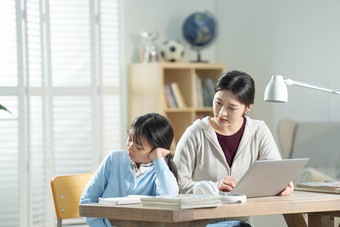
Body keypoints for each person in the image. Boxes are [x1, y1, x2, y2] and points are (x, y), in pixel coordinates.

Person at [173, 70, 293, 226]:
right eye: (218, 103)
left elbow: (276, 173)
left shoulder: (259, 131)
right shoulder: (195, 133)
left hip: (241, 222)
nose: (222, 113)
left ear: (248, 108)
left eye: (232, 108)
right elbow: (176, 184)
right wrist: (213, 187)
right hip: (200, 223)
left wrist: (284, 185)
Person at [80, 112, 179, 227]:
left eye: (138, 147)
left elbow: (169, 198)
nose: (130, 147)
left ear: (157, 150)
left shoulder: (161, 173)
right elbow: (87, 200)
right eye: (130, 139)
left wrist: (158, 159)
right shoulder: (114, 160)